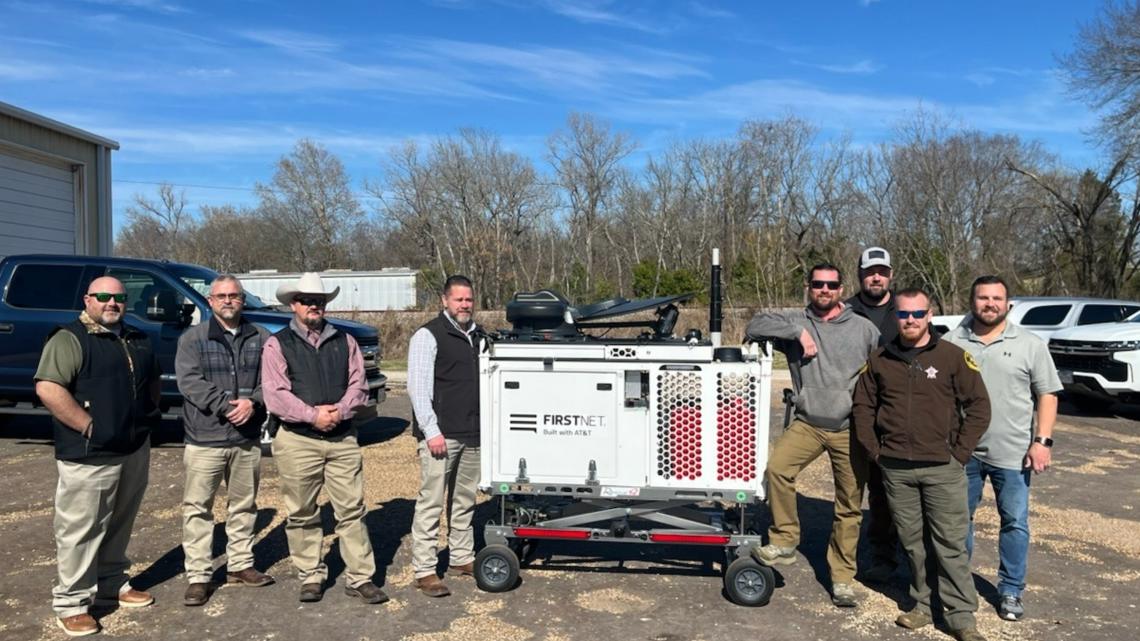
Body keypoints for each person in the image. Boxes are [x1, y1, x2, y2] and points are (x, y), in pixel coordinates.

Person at [852, 288, 991, 641]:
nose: (910, 320)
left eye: (917, 314)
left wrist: (959, 453)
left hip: (943, 467)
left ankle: (961, 616)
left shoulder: (953, 357)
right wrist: (876, 451)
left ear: (930, 315)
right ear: (895, 317)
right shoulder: (881, 358)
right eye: (903, 314)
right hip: (896, 468)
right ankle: (924, 605)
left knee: (949, 542)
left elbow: (978, 407)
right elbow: (864, 407)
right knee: (912, 543)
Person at [745, 263, 880, 608]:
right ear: (809, 286)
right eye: (818, 284)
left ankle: (842, 578)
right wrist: (796, 333)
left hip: (848, 429)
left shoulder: (863, 329)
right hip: (807, 422)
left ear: (840, 288)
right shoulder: (798, 322)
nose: (824, 289)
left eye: (831, 285)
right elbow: (754, 324)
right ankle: (785, 539)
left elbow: (881, 374)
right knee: (777, 470)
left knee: (849, 505)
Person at [34, 276, 160, 637]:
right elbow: (48, 387)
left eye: (119, 298)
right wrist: (88, 426)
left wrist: (148, 418)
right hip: (89, 454)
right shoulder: (70, 338)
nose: (112, 303)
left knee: (120, 521)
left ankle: (111, 583)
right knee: (81, 529)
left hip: (133, 448)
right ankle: (72, 602)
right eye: (103, 296)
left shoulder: (136, 338)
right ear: (88, 299)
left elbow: (151, 382)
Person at [261, 273, 387, 605]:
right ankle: (311, 575)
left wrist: (340, 412)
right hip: (297, 439)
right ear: (293, 304)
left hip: (342, 437)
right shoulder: (277, 344)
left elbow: (359, 386)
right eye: (306, 300)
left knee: (352, 510)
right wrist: (312, 415)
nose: (314, 305)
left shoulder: (345, 341)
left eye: (319, 300)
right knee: (302, 511)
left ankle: (360, 577)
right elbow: (275, 395)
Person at [946, 275, 1062, 622]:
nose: (990, 304)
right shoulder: (951, 342)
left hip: (1013, 454)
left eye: (997, 298)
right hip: (962, 453)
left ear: (1007, 304)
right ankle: (958, 586)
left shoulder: (1030, 344)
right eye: (983, 298)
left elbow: (1047, 395)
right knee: (957, 522)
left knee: (1014, 522)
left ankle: (1011, 590)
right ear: (972, 301)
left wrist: (1041, 441)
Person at [175, 275, 274, 607]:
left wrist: (254, 403)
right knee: (198, 508)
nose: (228, 300)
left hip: (246, 437)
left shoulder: (260, 337)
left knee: (244, 505)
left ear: (243, 300)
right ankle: (199, 575)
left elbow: (272, 379)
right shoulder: (193, 339)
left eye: (234, 295)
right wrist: (226, 406)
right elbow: (190, 382)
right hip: (205, 437)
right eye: (221, 296)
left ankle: (241, 564)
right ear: (210, 301)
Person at [408, 275, 481, 598]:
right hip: (441, 435)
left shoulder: (480, 337)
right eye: (458, 300)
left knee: (464, 500)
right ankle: (425, 569)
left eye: (468, 300)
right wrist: (431, 430)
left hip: (473, 433)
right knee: (431, 501)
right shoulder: (428, 335)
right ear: (444, 301)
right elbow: (417, 387)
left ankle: (461, 557)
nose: (464, 305)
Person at [844, 246, 901, 582]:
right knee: (850, 487)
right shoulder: (844, 310)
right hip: (851, 410)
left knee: (885, 491)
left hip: (891, 413)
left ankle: (883, 555)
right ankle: (843, 554)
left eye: (881, 271)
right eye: (869, 272)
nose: (875, 277)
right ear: (860, 275)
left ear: (890, 274)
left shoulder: (906, 310)